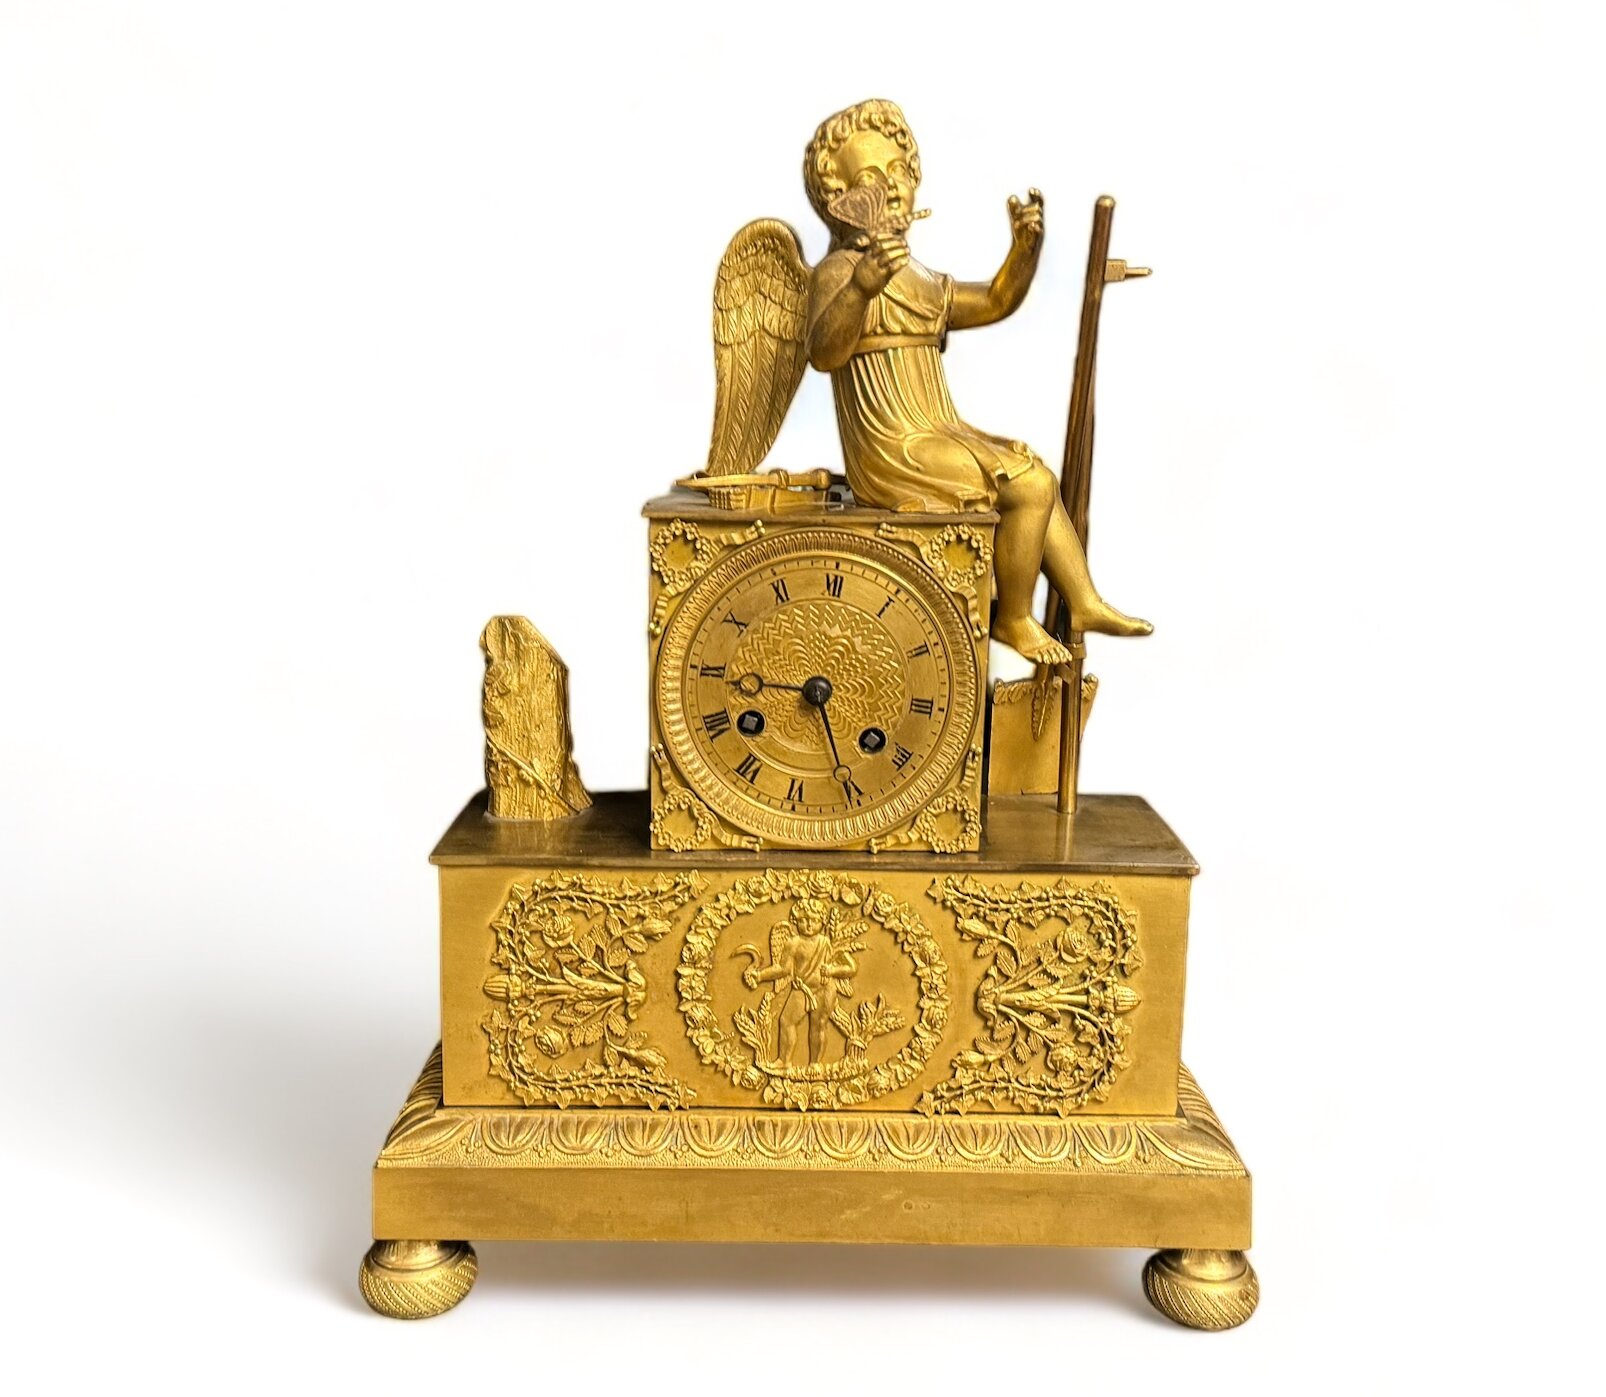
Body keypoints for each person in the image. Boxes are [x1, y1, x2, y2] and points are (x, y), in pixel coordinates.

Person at [801, 99, 1151, 666]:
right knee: (1026, 485)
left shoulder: (917, 276)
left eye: (899, 173)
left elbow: (993, 300)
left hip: (937, 427)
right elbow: (823, 351)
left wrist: (1024, 253)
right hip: (893, 444)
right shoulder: (837, 272)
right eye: (870, 180)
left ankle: (1082, 600)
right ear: (838, 200)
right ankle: (1012, 618)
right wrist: (862, 285)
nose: (891, 188)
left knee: (1033, 468)